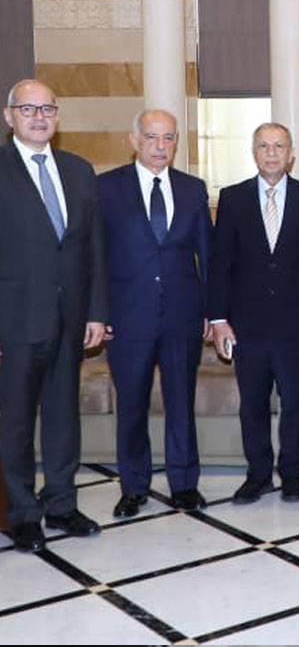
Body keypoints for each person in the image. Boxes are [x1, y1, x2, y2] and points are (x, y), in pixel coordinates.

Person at [0, 80, 107, 552]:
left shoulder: (79, 171)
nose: (39, 117)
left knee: (65, 415)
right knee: (17, 420)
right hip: (15, 320)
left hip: (71, 317)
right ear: (9, 116)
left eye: (47, 109)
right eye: (28, 109)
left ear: (57, 116)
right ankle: (22, 512)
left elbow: (94, 248)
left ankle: (61, 503)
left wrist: (97, 312)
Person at [208, 123, 299, 504]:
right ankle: (258, 474)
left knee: (296, 402)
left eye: (279, 146)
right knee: (253, 403)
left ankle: (291, 474)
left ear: (291, 154)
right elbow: (220, 264)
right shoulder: (232, 198)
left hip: (296, 322)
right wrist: (218, 320)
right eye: (264, 146)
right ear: (254, 152)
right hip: (247, 324)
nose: (272, 153)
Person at [98, 109, 212, 517]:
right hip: (128, 317)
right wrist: (98, 312)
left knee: (181, 401)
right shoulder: (106, 188)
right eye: (151, 137)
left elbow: (207, 256)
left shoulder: (193, 189)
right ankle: (133, 487)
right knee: (131, 405)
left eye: (168, 138)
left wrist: (212, 311)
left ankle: (184, 484)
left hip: (183, 315)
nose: (160, 146)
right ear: (134, 140)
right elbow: (95, 257)